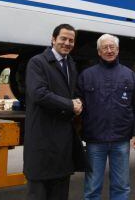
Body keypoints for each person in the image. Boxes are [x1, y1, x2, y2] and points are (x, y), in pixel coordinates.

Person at [77, 34, 135, 200]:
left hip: (121, 140)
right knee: (92, 188)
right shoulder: (87, 76)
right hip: (95, 141)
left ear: (118, 50)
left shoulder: (130, 76)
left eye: (112, 47)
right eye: (105, 48)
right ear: (99, 52)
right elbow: (77, 108)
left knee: (121, 187)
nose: (109, 50)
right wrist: (77, 134)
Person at [23, 23, 83, 200]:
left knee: (60, 193)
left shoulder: (70, 64)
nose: (67, 43)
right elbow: (39, 94)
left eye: (71, 40)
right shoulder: (37, 62)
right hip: (42, 141)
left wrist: (79, 102)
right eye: (63, 38)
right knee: (39, 194)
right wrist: (70, 105)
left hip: (62, 144)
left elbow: (73, 93)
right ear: (53, 39)